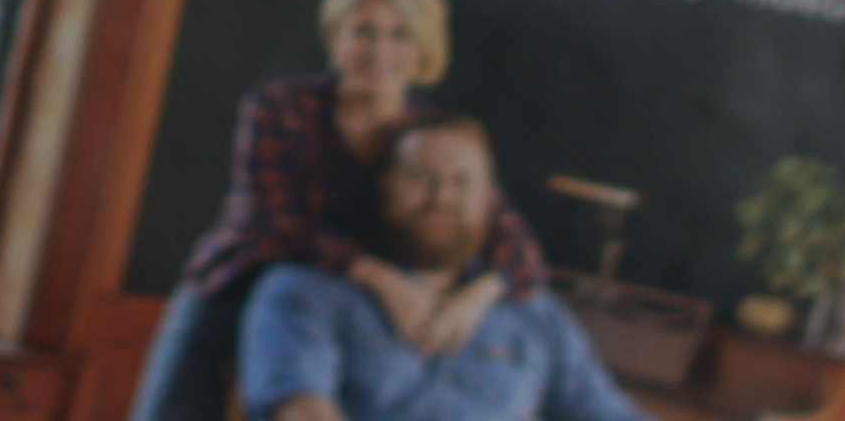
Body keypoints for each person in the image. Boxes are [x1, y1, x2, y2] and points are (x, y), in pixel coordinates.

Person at [130, 0, 551, 421]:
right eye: (363, 32)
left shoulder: (432, 136)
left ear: (424, 47)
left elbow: (520, 249)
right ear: (335, 37)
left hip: (345, 312)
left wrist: (476, 299)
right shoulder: (278, 107)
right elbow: (272, 221)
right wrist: (380, 278)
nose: (379, 51)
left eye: (400, 35)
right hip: (238, 288)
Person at [244, 116, 652, 421]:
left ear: (490, 199)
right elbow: (301, 410)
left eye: (462, 182)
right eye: (422, 177)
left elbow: (604, 412)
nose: (441, 196)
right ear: (385, 186)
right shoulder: (305, 292)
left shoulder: (533, 311)